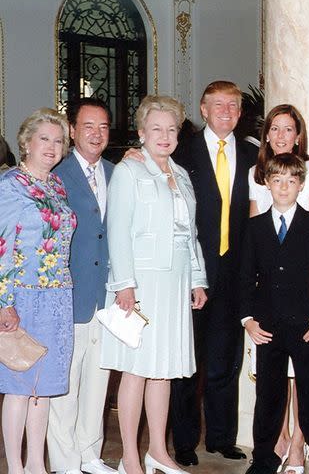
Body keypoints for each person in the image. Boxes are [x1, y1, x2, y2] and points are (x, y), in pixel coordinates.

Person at [101, 95, 208, 474]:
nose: (164, 136)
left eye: (171, 129)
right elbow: (117, 231)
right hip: (143, 283)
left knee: (163, 370)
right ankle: (130, 453)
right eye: (156, 129)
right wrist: (124, 285)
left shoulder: (179, 174)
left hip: (176, 282)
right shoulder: (129, 171)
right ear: (142, 133)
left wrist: (198, 279)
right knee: (136, 370)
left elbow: (189, 233)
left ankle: (158, 451)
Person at [169, 80, 258, 466]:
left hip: (236, 274)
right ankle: (185, 442)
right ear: (202, 110)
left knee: (225, 360)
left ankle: (221, 437)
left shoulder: (256, 157)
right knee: (188, 361)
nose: (225, 111)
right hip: (191, 274)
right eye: (217, 105)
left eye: (233, 105)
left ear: (240, 113)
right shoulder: (180, 153)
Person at [241, 154, 309, 474]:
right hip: (267, 326)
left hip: (306, 325)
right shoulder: (254, 227)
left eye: (291, 181)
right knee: (269, 393)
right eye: (277, 180)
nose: (284, 187)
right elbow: (243, 277)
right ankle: (266, 457)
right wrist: (248, 319)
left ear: (300, 185)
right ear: (267, 184)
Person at [0, 108, 75, 474]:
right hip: (23, 297)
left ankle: (35, 465)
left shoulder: (56, 185)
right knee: (18, 383)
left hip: (57, 298)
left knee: (42, 387)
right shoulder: (10, 184)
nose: (51, 146)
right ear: (26, 142)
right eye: (43, 138)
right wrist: (3, 303)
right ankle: (15, 467)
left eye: (58, 140)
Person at [46, 98, 116, 474]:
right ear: (72, 130)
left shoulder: (115, 172)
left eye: (103, 127)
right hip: (67, 295)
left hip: (105, 297)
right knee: (65, 384)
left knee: (97, 382)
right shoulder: (56, 173)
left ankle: (90, 454)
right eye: (88, 126)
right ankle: (65, 460)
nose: (96, 134)